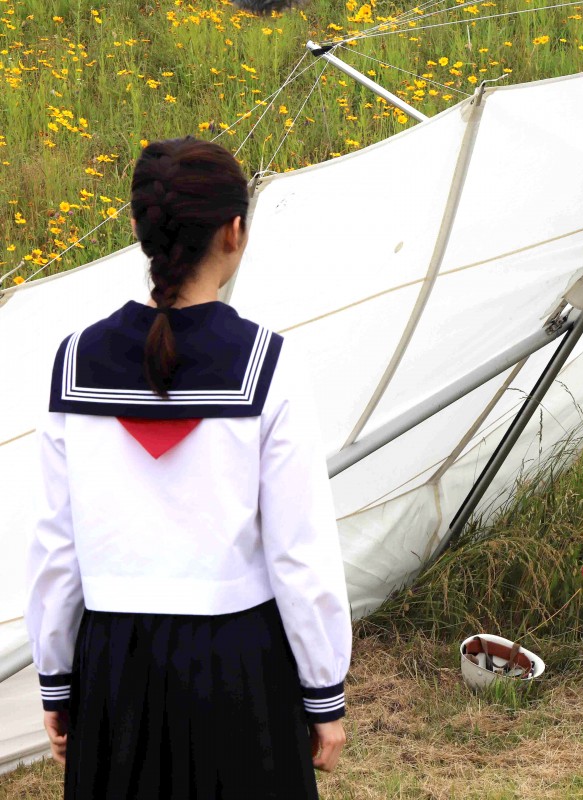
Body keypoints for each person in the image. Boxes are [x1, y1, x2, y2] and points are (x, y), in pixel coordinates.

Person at [25, 137, 353, 797]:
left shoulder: (72, 364)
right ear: (234, 231)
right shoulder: (267, 364)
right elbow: (299, 549)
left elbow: (56, 548)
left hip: (112, 666)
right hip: (239, 668)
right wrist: (324, 690)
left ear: (140, 230)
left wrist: (56, 678)